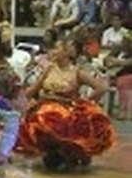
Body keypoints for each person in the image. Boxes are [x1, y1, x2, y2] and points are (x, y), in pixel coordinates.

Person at [19, 40, 113, 170]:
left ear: (66, 52)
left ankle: (68, 154)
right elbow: (32, 90)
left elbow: (101, 88)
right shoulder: (49, 69)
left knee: (58, 122)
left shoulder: (76, 72)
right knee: (37, 119)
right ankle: (52, 153)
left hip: (66, 109)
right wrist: (19, 98)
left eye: (56, 48)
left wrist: (84, 102)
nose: (53, 52)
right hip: (44, 106)